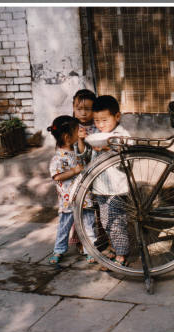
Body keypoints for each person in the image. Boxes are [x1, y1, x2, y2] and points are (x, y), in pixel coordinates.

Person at [87, 95, 130, 266]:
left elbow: (128, 160)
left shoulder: (122, 135)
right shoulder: (97, 135)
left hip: (117, 187)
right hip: (100, 187)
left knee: (118, 221)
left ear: (117, 117)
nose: (100, 124)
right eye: (96, 120)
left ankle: (122, 255)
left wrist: (109, 148)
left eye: (104, 120)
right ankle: (115, 248)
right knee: (106, 221)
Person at [68, 89, 100, 264]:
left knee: (95, 209)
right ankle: (82, 240)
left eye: (88, 108)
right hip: (78, 174)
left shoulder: (97, 126)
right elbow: (78, 156)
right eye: (79, 108)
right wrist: (80, 140)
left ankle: (97, 239)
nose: (83, 112)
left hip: (94, 173)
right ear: (73, 108)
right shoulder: (72, 128)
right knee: (81, 209)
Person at [47, 115, 83, 264]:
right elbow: (56, 176)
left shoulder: (73, 150)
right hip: (67, 200)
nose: (79, 133)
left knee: (85, 225)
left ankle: (87, 249)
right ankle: (59, 250)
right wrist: (74, 171)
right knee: (64, 227)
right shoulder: (58, 158)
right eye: (76, 131)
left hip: (80, 197)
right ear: (68, 137)